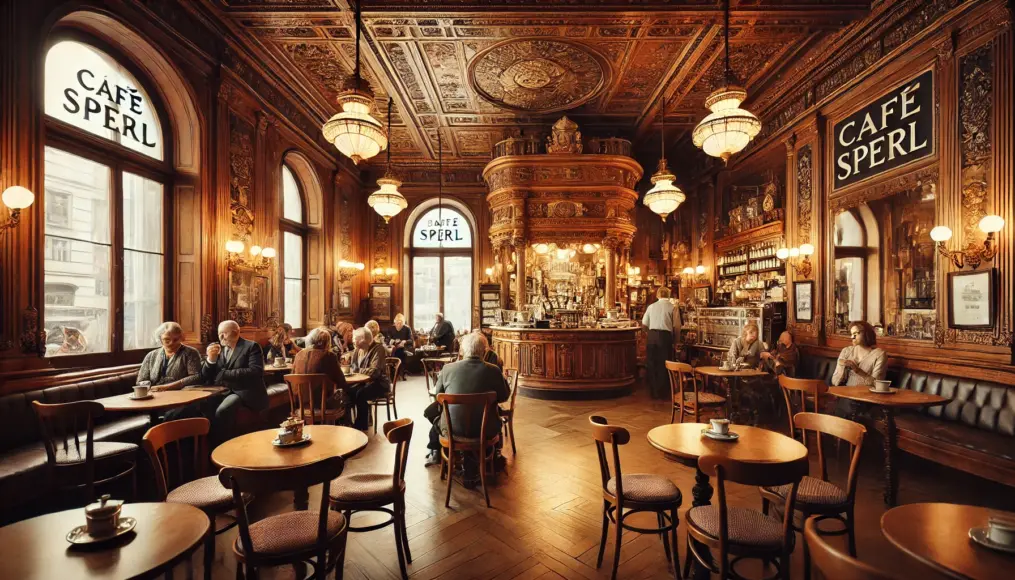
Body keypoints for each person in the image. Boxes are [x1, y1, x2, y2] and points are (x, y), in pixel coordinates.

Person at [423, 333, 509, 472]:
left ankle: (440, 453)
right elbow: (504, 397)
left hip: (452, 430)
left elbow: (438, 395)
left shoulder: (448, 369)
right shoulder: (493, 371)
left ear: (462, 351)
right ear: (485, 351)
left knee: (435, 412)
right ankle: (489, 457)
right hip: (485, 429)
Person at [194, 320, 268, 443]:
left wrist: (223, 374)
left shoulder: (251, 346)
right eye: (219, 334)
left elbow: (256, 371)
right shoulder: (217, 348)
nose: (221, 337)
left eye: (224, 333)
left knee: (223, 410)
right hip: (221, 390)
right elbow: (204, 376)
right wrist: (210, 360)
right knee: (201, 407)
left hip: (242, 392)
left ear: (236, 332)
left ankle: (224, 444)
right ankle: (210, 445)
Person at [292, 327, 348, 419]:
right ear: (327, 343)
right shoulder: (329, 356)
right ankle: (345, 426)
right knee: (347, 395)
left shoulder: (299, 355)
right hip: (322, 404)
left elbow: (293, 376)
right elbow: (341, 382)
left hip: (301, 403)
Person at [138, 322, 203, 391]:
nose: (172, 343)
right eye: (167, 339)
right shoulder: (151, 355)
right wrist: (147, 388)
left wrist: (166, 387)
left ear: (181, 338)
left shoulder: (190, 353)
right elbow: (141, 380)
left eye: (176, 339)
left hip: (179, 394)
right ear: (160, 338)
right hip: (153, 394)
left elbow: (196, 377)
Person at [642, 286, 681, 399]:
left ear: (658, 295)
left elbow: (644, 324)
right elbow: (676, 326)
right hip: (665, 337)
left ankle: (653, 392)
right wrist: (676, 341)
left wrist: (649, 334)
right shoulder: (673, 307)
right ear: (668, 295)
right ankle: (664, 392)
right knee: (665, 364)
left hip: (652, 336)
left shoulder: (651, 307)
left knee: (652, 363)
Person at [348, 327, 391, 430]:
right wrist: (358, 370)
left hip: (380, 383)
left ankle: (361, 425)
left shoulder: (378, 349)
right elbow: (352, 366)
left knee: (361, 393)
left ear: (363, 339)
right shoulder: (357, 350)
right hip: (364, 382)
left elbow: (374, 372)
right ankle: (347, 422)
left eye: (355, 338)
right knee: (348, 391)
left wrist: (357, 370)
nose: (353, 340)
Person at [831, 321, 886, 386]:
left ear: (866, 334)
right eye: (851, 334)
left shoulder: (879, 354)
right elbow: (834, 381)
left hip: (866, 395)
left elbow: (877, 384)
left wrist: (857, 370)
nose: (852, 337)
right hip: (845, 393)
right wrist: (842, 370)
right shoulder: (846, 351)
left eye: (855, 334)